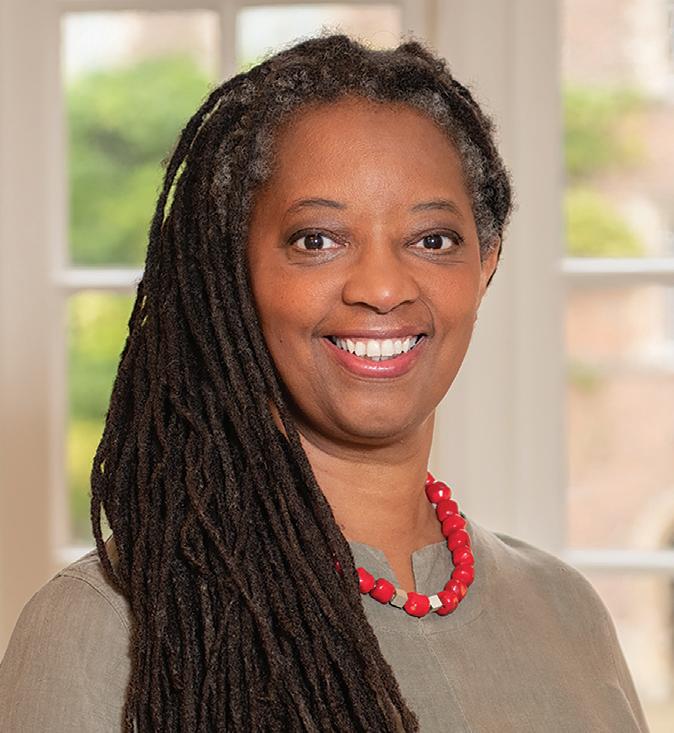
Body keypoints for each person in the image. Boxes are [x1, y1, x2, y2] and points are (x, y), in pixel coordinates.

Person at [0, 32, 649, 733]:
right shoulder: (106, 627)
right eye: (317, 240)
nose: (382, 287)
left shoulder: (566, 611)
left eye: (432, 240)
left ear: (486, 262)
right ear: (231, 270)